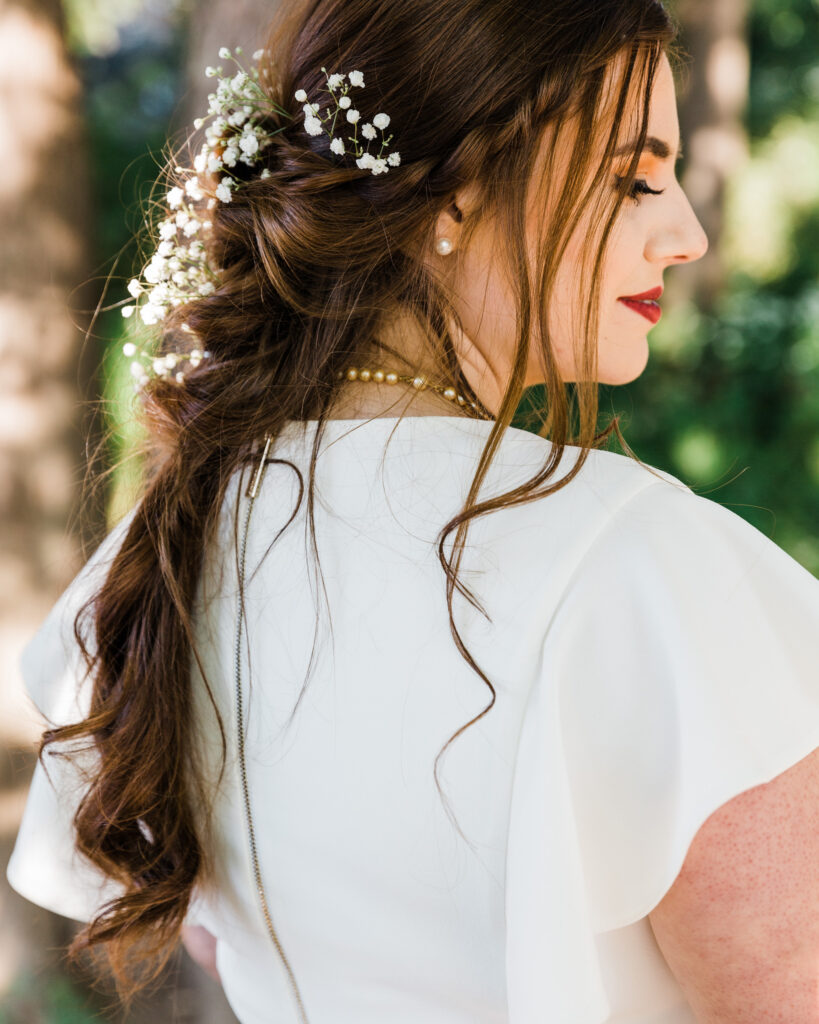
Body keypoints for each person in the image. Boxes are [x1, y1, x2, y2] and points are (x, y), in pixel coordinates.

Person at [6, 0, 819, 1021]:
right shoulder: (641, 567)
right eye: (634, 178)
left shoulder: (172, 547)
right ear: (459, 193)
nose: (688, 234)